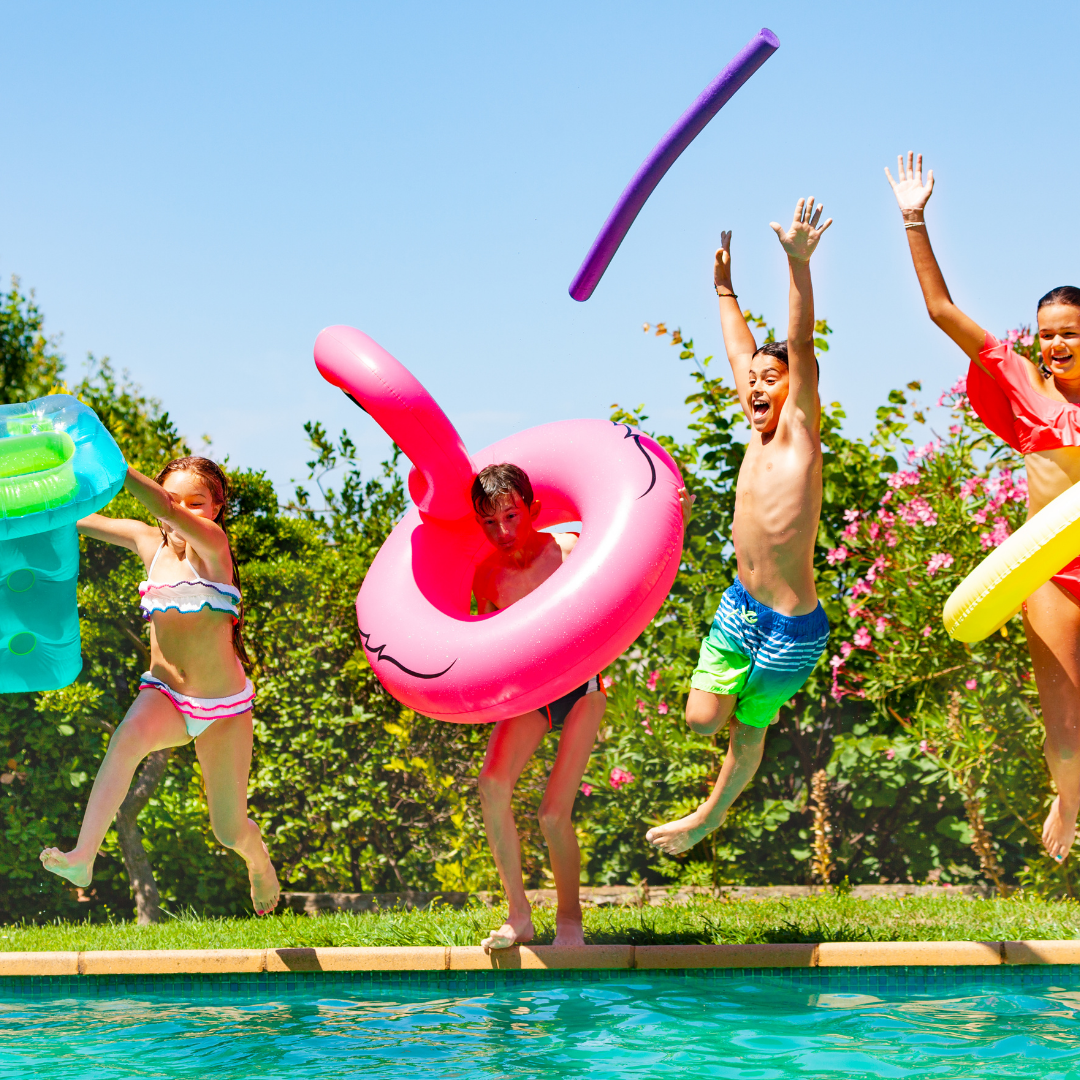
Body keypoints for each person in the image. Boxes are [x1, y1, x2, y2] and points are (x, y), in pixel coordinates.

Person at [885, 151, 1080, 863]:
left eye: (1070, 331)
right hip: (1053, 574)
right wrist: (914, 219)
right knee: (1064, 729)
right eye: (1049, 331)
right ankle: (1070, 793)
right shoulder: (1025, 382)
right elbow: (941, 311)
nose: (1057, 343)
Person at [646, 197, 833, 858]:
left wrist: (797, 264)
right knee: (701, 722)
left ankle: (707, 817)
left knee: (746, 735)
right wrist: (725, 288)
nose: (753, 385)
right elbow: (737, 349)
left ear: (796, 391)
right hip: (739, 609)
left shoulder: (798, 438)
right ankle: (709, 806)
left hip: (791, 630)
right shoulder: (755, 433)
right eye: (750, 380)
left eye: (769, 379)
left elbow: (800, 343)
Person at [40, 457, 280, 914]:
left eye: (199, 503)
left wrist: (116, 466)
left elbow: (167, 507)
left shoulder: (213, 546)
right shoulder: (147, 540)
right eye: (178, 500)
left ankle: (258, 861)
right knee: (126, 739)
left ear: (216, 508)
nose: (186, 511)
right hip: (166, 696)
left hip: (224, 708)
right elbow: (75, 519)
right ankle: (82, 858)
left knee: (228, 830)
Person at [473, 463, 691, 949]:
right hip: (531, 697)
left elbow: (634, 561)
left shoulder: (568, 549)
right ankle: (519, 916)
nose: (503, 531)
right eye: (489, 522)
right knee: (491, 785)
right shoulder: (487, 577)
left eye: (511, 515)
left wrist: (680, 519)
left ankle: (570, 921)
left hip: (581, 691)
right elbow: (486, 648)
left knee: (553, 814)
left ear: (532, 509)